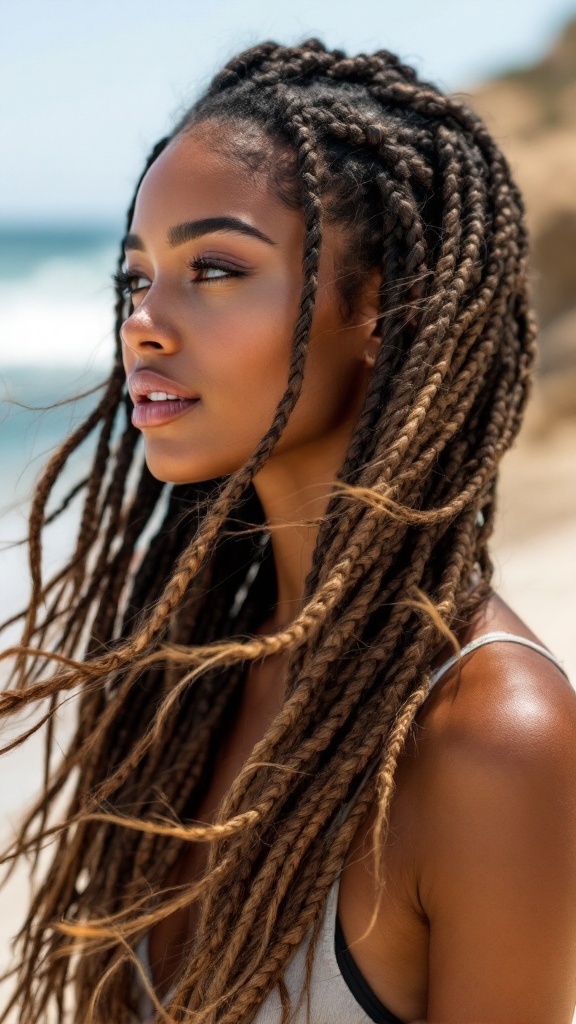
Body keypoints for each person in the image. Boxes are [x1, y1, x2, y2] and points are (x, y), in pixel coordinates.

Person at [1, 37, 576, 1024]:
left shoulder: (490, 738)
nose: (143, 321)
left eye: (215, 268)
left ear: (384, 307)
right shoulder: (185, 678)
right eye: (135, 279)